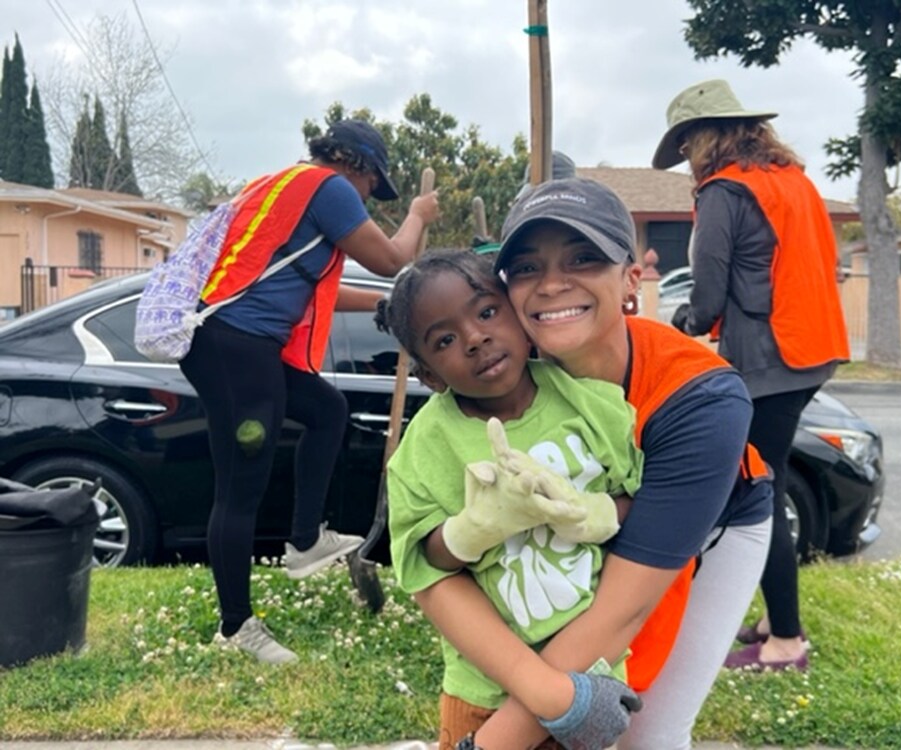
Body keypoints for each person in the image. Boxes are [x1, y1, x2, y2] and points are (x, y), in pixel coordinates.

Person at [410, 178, 774, 750]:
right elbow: (429, 569)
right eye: (528, 268)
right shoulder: (491, 366)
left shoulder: (701, 397)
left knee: (644, 729)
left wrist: (490, 744)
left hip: (708, 524)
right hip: (576, 524)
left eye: (584, 258)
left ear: (631, 279)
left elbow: (621, 613)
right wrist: (537, 701)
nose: (553, 284)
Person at [179, 119, 440, 664]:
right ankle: (235, 627)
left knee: (326, 409)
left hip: (238, 346)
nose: (369, 197)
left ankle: (304, 539)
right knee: (238, 489)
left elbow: (307, 285)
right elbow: (394, 259)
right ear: (358, 167)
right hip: (235, 348)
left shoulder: (280, 186)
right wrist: (416, 216)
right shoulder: (330, 189)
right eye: (374, 185)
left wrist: (379, 308)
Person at [376, 249, 643, 750]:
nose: (475, 338)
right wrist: (474, 528)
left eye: (486, 312)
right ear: (430, 375)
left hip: (594, 676)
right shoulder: (426, 445)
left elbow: (634, 498)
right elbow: (422, 561)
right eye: (446, 340)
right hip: (482, 692)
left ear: (519, 317)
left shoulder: (588, 403)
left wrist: (588, 513)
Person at [654, 79, 851, 672]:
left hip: (769, 361)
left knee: (755, 494)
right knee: (767, 479)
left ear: (707, 135)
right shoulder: (793, 181)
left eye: (688, 141)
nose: (688, 156)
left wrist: (679, 322)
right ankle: (774, 616)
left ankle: (786, 641)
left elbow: (708, 296)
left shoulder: (725, 191)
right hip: (814, 349)